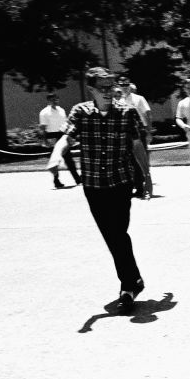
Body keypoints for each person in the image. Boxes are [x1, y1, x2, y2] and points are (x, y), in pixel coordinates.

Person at [55, 67, 148, 313]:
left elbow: (138, 145)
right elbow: (67, 137)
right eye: (103, 88)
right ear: (92, 89)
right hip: (94, 185)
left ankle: (130, 284)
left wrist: (146, 175)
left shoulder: (127, 113)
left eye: (111, 87)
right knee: (112, 235)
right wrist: (56, 155)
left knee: (118, 232)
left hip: (121, 182)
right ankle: (131, 282)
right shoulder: (80, 112)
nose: (109, 92)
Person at [117, 77, 153, 199]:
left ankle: (140, 187)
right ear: (119, 86)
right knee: (128, 161)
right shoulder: (118, 100)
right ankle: (134, 185)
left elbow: (147, 114)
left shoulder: (138, 99)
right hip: (124, 133)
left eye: (126, 85)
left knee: (139, 160)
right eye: (122, 85)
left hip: (138, 131)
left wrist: (149, 131)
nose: (124, 87)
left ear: (129, 85)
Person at [39, 93, 81, 188]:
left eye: (57, 99)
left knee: (69, 159)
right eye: (53, 99)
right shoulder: (44, 112)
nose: (56, 101)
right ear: (49, 101)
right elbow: (43, 128)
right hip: (51, 136)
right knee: (55, 160)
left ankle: (78, 179)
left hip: (62, 135)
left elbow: (66, 123)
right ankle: (56, 180)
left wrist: (69, 136)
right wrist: (45, 140)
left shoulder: (61, 110)